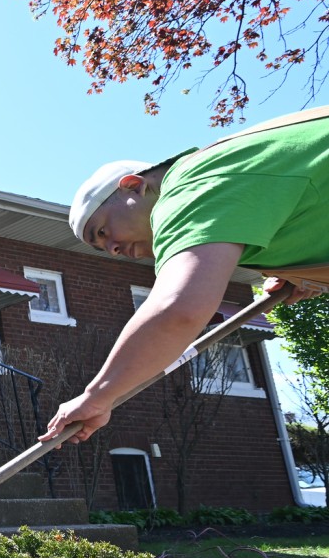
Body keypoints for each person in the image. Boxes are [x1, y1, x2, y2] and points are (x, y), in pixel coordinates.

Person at [44, 106, 329, 446]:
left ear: (134, 187)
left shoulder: (189, 189)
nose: (113, 249)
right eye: (102, 248)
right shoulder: (228, 200)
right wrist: (300, 269)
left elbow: (178, 310)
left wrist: (98, 395)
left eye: (103, 231)